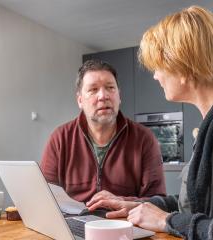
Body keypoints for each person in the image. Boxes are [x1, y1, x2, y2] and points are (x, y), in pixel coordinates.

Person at [86, 6, 213, 240]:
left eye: (158, 65)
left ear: (182, 65)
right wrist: (135, 205)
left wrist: (167, 221)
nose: (155, 76)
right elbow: (196, 205)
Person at [40, 59, 166, 203]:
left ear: (119, 96)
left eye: (110, 87)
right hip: (74, 222)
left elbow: (158, 201)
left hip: (125, 222)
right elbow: (46, 196)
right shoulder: (60, 138)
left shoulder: (144, 138)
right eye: (93, 90)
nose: (103, 96)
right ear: (80, 100)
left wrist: (121, 202)